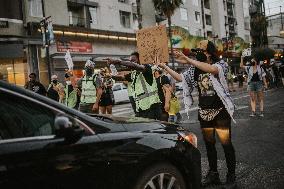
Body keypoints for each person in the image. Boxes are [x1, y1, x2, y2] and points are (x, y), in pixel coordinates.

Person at [155, 40, 236, 187]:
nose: (198, 53)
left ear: (209, 52)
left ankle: (231, 176)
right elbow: (181, 78)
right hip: (204, 112)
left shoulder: (221, 64)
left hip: (221, 113)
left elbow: (212, 69)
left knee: (226, 143)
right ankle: (213, 174)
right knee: (209, 145)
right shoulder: (194, 69)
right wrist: (164, 66)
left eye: (201, 50)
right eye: (197, 50)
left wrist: (188, 60)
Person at [107, 52, 162, 120]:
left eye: (133, 60)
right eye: (130, 61)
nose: (131, 63)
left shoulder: (147, 68)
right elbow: (120, 78)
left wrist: (119, 61)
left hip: (152, 107)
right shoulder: (134, 74)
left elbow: (136, 66)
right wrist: (110, 74)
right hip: (141, 108)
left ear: (140, 60)